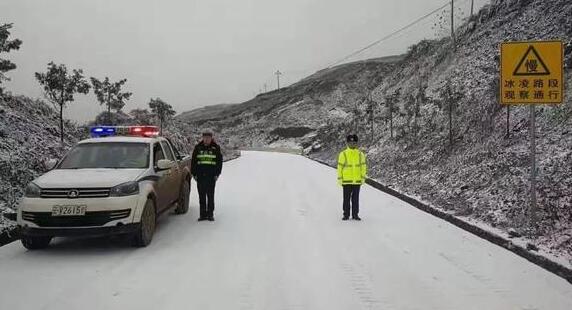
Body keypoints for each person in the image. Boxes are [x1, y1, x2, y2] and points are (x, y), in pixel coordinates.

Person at [191, 132, 223, 221]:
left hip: (211, 177)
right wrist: (194, 174)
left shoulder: (216, 148)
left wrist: (217, 174)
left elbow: (219, 162)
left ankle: (210, 214)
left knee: (210, 196)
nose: (206, 139)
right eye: (205, 137)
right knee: (201, 196)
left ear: (211, 138)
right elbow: (193, 161)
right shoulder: (198, 148)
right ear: (202, 138)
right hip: (200, 176)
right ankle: (202, 215)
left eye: (208, 138)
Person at [337, 134, 367, 221]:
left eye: (354, 142)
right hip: (346, 181)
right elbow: (340, 167)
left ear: (356, 143)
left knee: (355, 199)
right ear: (347, 143)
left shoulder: (360, 154)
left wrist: (363, 178)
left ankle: (355, 215)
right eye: (350, 142)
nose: (352, 144)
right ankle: (346, 214)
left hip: (357, 181)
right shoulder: (343, 154)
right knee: (346, 199)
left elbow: (363, 167)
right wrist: (340, 179)